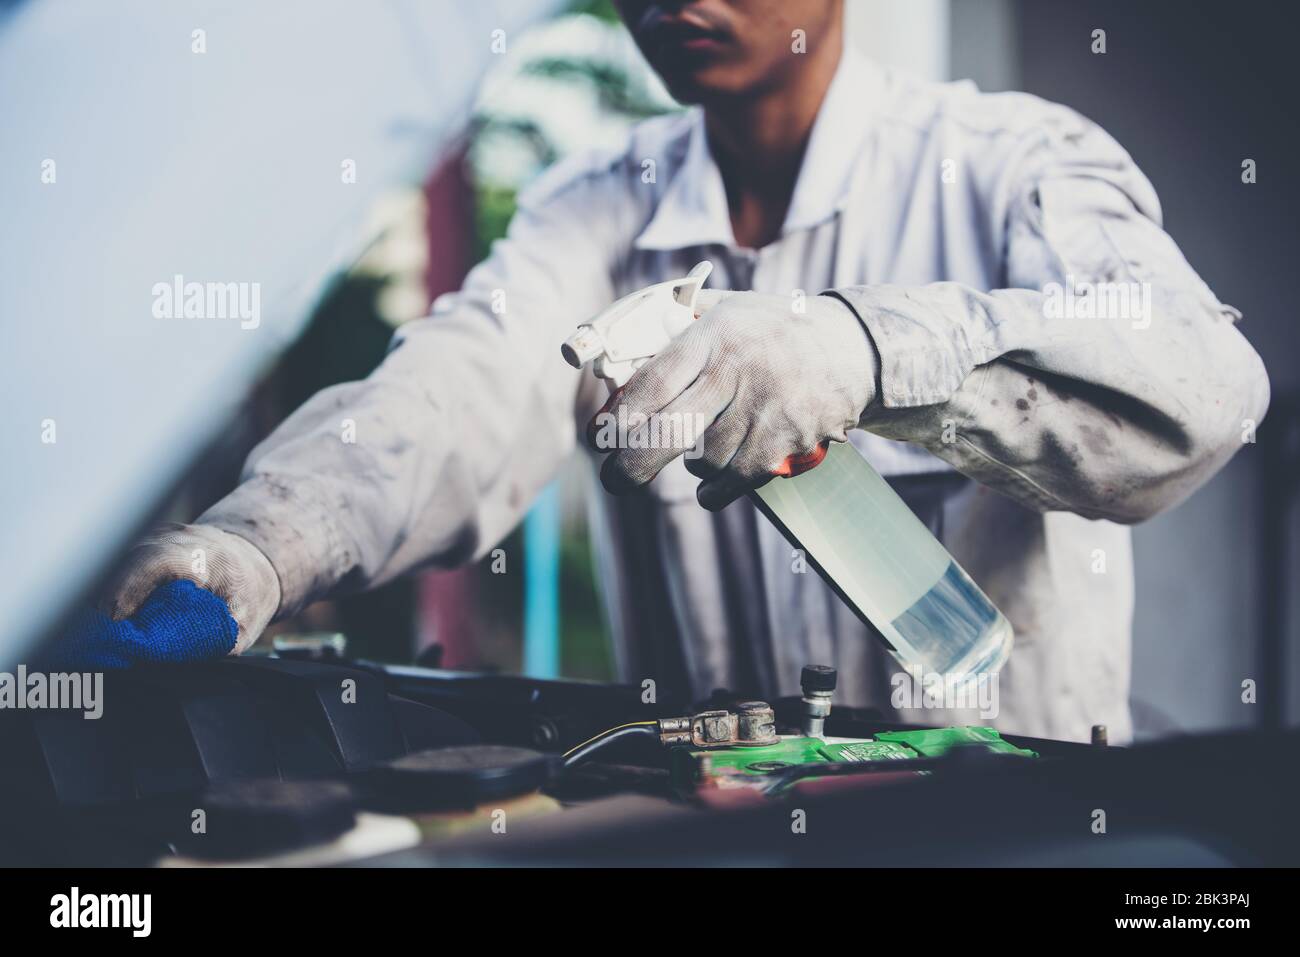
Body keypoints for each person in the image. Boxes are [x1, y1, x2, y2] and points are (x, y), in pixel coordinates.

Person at [102, 0, 1269, 743]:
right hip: (725, 831)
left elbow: (1201, 384)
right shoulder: (596, 209)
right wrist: (267, 541)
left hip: (1012, 833)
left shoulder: (1015, 164)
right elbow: (452, 397)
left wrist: (867, 351)